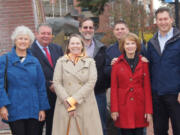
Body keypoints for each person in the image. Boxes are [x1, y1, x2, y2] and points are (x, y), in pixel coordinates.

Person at [0, 25, 50, 135]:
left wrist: (42, 108)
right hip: (14, 107)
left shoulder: (35, 61)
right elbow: (0, 85)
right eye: (20, 38)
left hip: (34, 107)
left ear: (30, 42)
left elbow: (41, 86)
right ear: (15, 40)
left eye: (26, 39)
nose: (23, 41)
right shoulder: (5, 59)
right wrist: (2, 106)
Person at [52, 34, 103, 135]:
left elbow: (91, 82)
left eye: (77, 43)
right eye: (72, 43)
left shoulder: (90, 62)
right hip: (65, 105)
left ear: (82, 46)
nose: (75, 46)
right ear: (68, 46)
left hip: (85, 105)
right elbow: (57, 82)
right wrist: (68, 101)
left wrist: (74, 100)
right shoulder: (61, 62)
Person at [111, 32, 153, 135]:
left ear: (137, 45)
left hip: (139, 107)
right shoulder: (116, 64)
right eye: (127, 44)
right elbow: (114, 88)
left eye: (133, 43)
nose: (130, 46)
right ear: (123, 46)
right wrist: (114, 109)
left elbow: (147, 88)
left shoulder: (144, 63)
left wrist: (148, 110)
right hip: (123, 108)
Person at [147, 7, 180, 135]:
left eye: (165, 19)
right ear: (156, 22)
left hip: (176, 95)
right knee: (159, 131)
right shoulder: (151, 43)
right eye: (160, 19)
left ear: (171, 20)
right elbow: (149, 67)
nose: (163, 22)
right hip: (157, 95)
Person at [31, 23, 63, 135]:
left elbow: (63, 69)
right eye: (43, 33)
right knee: (36, 129)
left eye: (48, 33)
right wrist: (49, 84)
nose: (46, 36)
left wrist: (59, 84)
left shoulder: (57, 49)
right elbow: (30, 75)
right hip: (38, 98)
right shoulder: (29, 51)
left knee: (53, 128)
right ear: (36, 34)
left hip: (55, 98)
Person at [79, 18, 107, 135]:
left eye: (91, 27)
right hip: (78, 95)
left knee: (100, 126)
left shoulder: (102, 48)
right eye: (85, 27)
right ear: (80, 29)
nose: (88, 30)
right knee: (81, 126)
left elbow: (106, 69)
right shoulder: (72, 47)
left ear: (94, 30)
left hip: (98, 94)